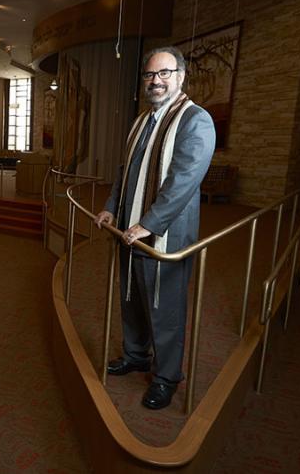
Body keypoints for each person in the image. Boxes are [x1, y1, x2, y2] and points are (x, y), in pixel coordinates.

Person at [94, 46, 216, 409]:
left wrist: (148, 224)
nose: (156, 81)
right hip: (130, 230)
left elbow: (184, 181)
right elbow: (126, 171)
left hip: (165, 235)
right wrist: (111, 208)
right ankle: (136, 356)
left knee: (165, 308)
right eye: (150, 75)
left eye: (164, 73)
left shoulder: (196, 120)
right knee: (131, 297)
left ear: (180, 76)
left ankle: (167, 377)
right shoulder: (142, 119)